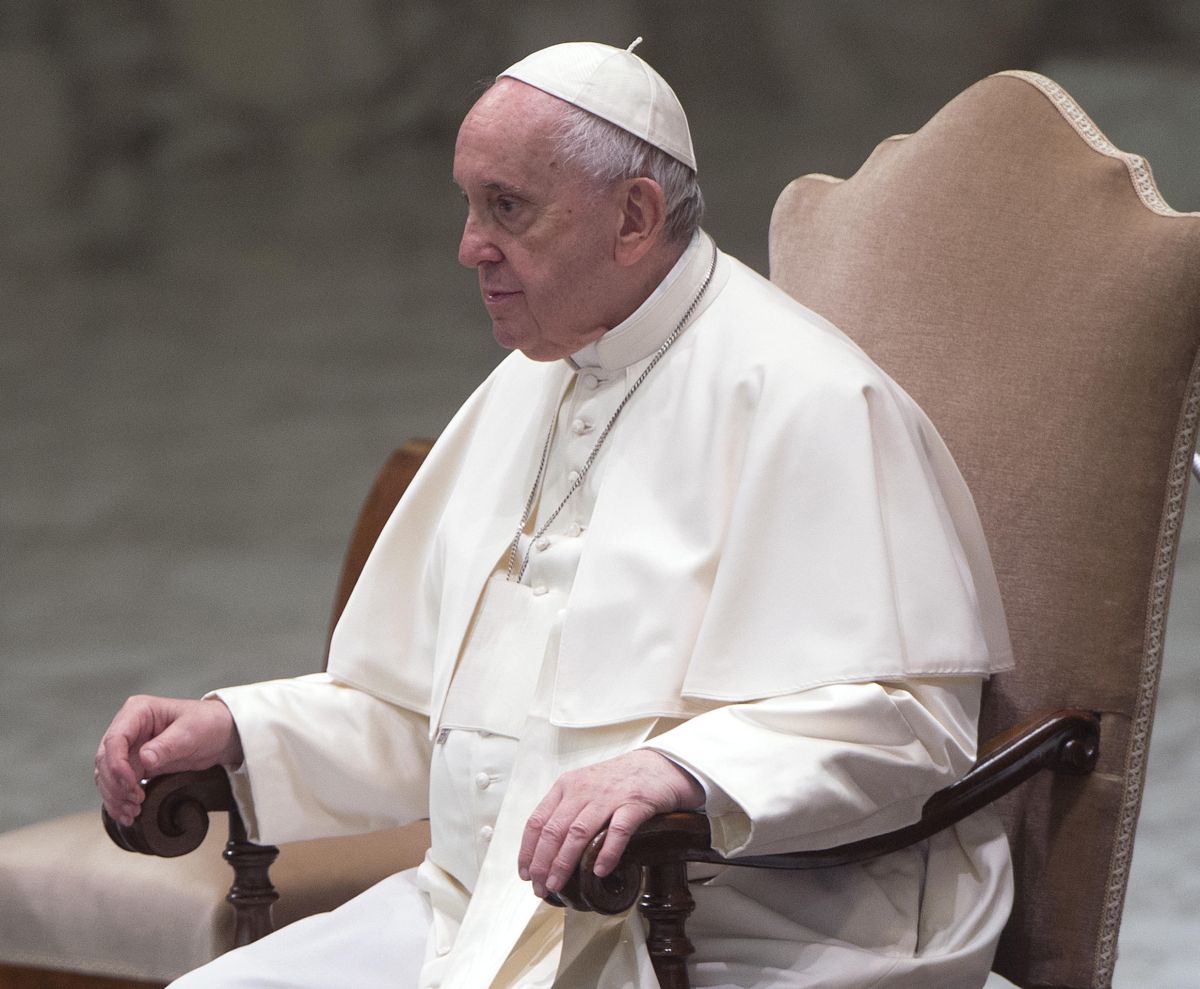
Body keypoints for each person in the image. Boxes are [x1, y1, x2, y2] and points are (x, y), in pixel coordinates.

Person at [95, 40, 1015, 989]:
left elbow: (908, 725)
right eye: (468, 203)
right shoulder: (526, 386)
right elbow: (429, 720)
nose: (469, 245)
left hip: (735, 925)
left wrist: (685, 772)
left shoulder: (811, 401)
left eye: (507, 207)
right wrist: (237, 728)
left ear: (633, 217)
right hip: (473, 914)